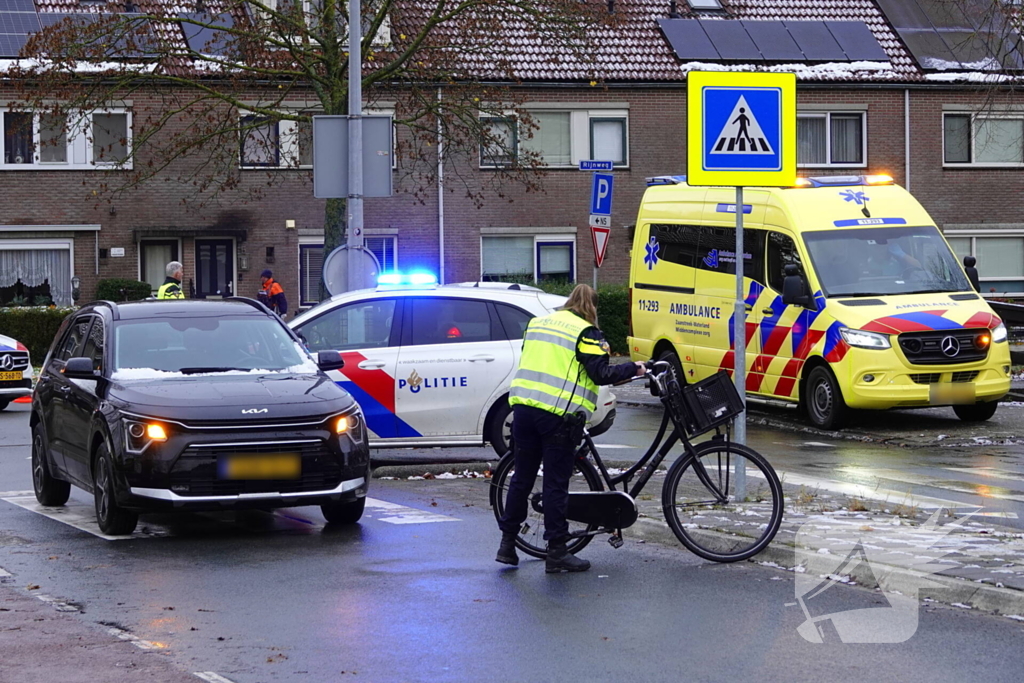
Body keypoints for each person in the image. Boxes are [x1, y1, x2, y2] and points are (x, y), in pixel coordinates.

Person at [496, 284, 645, 573]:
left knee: (522, 479)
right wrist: (634, 368)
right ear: (593, 308)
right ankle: (557, 552)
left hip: (524, 410)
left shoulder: (537, 324)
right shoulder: (587, 332)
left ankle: (506, 545)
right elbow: (601, 373)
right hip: (557, 417)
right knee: (555, 485)